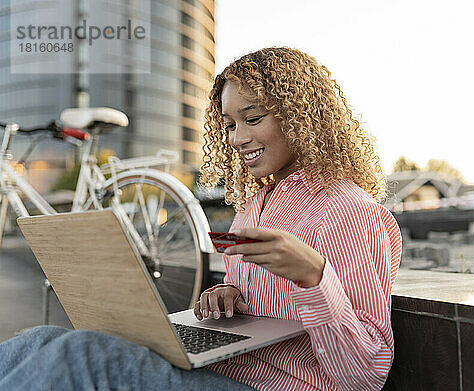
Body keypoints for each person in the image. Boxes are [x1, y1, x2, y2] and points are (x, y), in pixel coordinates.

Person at [0, 47, 402, 391]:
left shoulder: (351, 213)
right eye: (228, 124)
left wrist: (314, 277)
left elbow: (364, 376)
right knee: (40, 339)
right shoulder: (255, 206)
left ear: (302, 117)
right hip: (220, 368)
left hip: (269, 385)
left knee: (81, 355)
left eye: (253, 117)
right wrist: (226, 295)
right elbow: (265, 304)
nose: (236, 137)